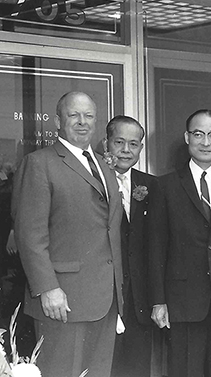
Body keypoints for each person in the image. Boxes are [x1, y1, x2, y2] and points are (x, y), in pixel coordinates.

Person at [12, 92, 124, 377]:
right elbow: (29, 235)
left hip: (105, 300)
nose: (82, 122)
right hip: (62, 300)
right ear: (58, 120)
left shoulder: (103, 165)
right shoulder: (40, 163)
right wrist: (48, 288)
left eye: (88, 116)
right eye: (73, 115)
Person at [148, 109, 211, 377]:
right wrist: (159, 301)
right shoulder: (166, 186)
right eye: (198, 134)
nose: (206, 142)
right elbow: (157, 248)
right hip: (183, 301)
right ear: (187, 137)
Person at [104, 116, 157, 377]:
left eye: (133, 144)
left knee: (137, 368)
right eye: (119, 142)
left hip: (139, 300)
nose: (126, 150)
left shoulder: (152, 186)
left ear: (141, 148)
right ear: (106, 144)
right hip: (103, 299)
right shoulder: (93, 181)